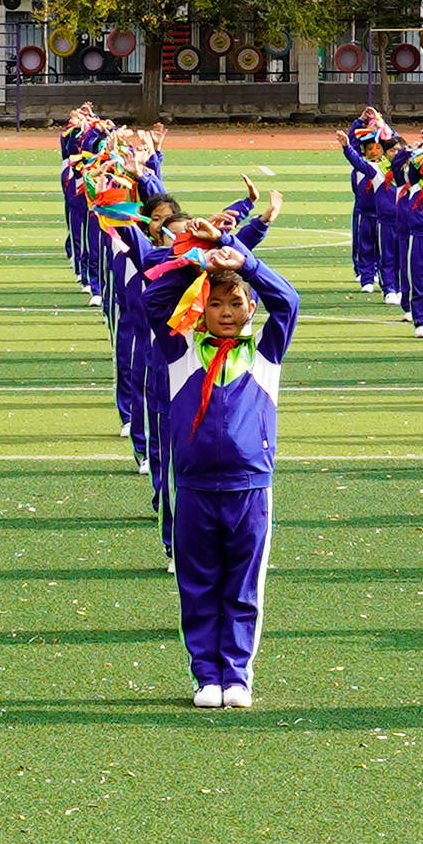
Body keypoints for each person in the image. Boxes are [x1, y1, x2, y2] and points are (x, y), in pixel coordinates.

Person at [130, 237, 299, 707]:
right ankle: (206, 675)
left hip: (250, 487)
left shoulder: (265, 354)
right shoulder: (181, 352)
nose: (225, 311)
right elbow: (153, 299)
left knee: (243, 586)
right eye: (216, 303)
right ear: (201, 308)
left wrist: (245, 261)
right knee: (198, 584)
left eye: (236, 303)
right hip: (195, 488)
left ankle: (238, 676)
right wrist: (196, 264)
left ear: (249, 309)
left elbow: (288, 301)